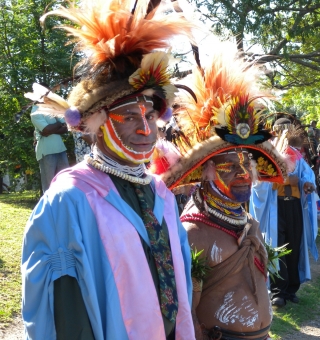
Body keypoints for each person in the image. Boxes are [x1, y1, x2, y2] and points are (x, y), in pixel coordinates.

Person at [21, 0, 197, 339]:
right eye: (130, 117)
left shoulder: (159, 190)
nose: (146, 130)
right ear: (98, 125)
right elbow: (66, 312)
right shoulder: (70, 198)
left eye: (150, 116)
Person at [150, 39, 289, 340]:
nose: (244, 174)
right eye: (231, 165)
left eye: (248, 163)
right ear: (207, 170)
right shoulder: (191, 232)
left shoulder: (248, 222)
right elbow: (181, 316)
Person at [250, 120, 318, 308]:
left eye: (287, 129)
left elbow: (307, 177)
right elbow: (258, 183)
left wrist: (306, 184)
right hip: (276, 208)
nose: (284, 133)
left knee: (295, 246)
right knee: (278, 247)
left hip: (295, 207)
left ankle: (291, 289)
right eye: (281, 129)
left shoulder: (296, 155)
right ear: (275, 131)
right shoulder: (267, 155)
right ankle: (278, 291)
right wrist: (280, 180)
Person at [30, 104, 69, 193]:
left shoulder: (53, 108)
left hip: (61, 149)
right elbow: (46, 129)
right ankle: (51, 206)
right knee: (49, 187)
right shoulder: (35, 111)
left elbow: (66, 127)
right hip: (46, 152)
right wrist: (58, 124)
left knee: (66, 182)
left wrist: (51, 130)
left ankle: (64, 206)